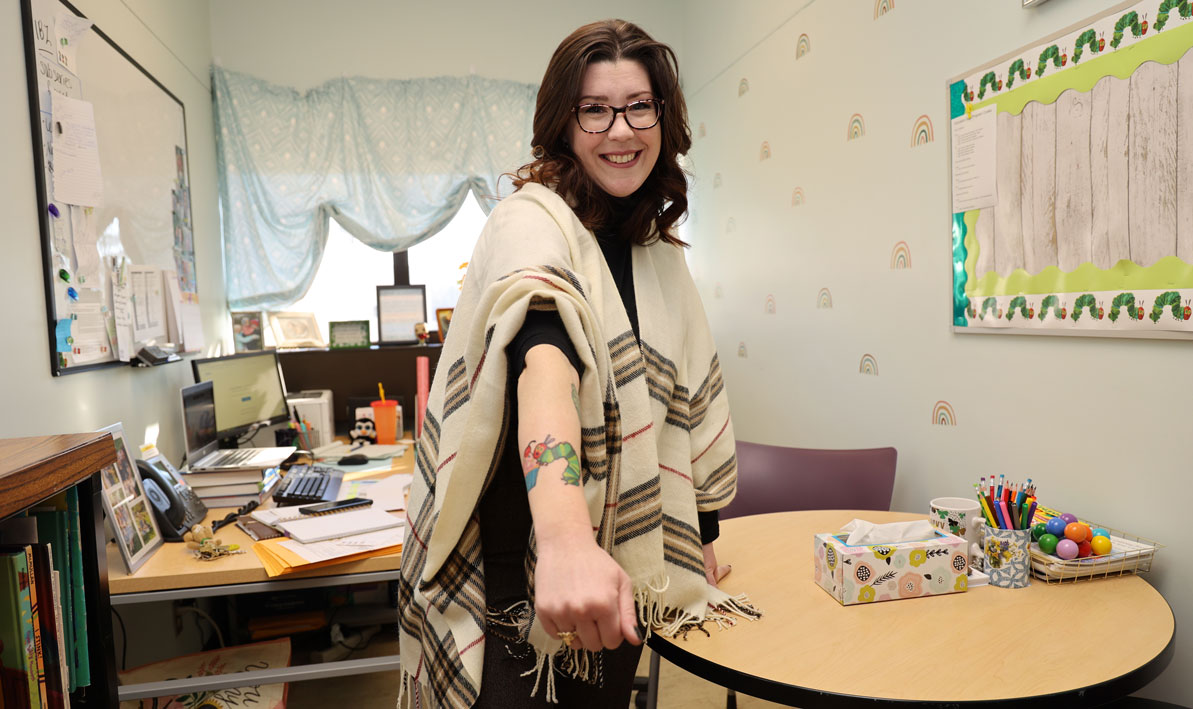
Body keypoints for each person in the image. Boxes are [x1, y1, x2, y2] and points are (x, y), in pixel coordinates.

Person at [397, 19, 753, 708]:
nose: (619, 130)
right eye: (594, 110)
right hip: (513, 562)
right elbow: (544, 367)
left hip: (619, 558)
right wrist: (564, 538)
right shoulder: (529, 221)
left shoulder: (655, 251)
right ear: (563, 123)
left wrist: (697, 532)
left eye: (638, 106)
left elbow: (685, 400)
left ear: (664, 116)